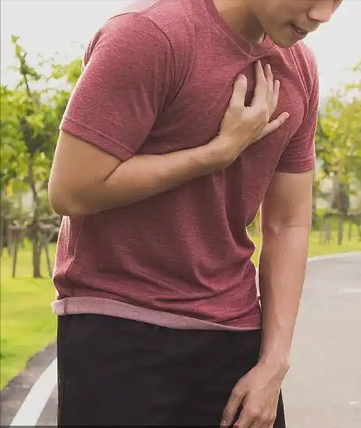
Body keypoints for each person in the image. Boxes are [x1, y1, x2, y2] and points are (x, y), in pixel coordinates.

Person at [47, 0, 342, 426]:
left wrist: (274, 363)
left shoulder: (299, 69)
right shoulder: (148, 35)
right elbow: (71, 190)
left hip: (234, 335)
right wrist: (214, 155)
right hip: (120, 326)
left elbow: (287, 223)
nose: (324, 15)